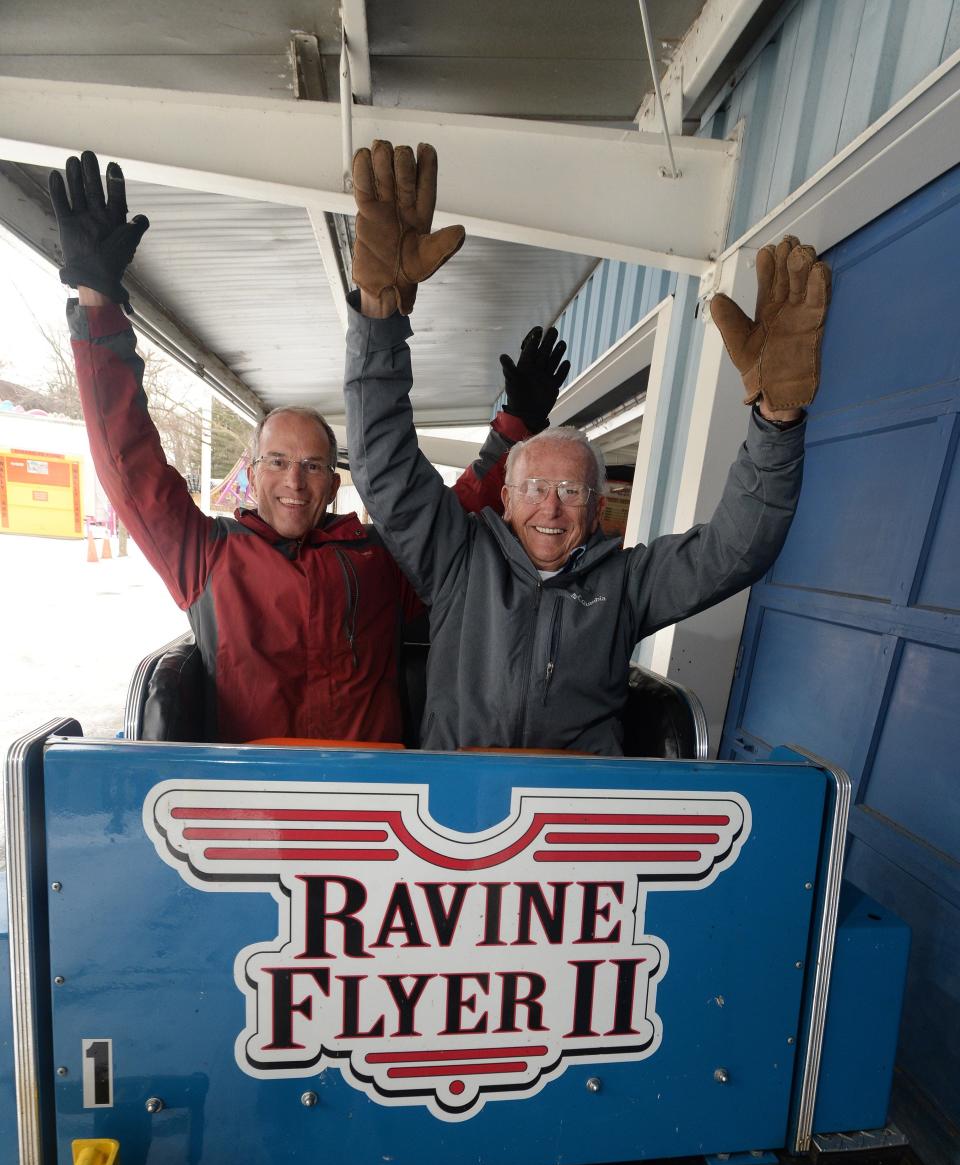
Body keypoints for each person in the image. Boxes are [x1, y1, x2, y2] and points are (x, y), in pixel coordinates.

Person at [47, 151, 569, 744]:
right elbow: (129, 464)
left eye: (313, 465)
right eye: (278, 461)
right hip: (261, 819)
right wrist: (97, 302)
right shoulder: (207, 557)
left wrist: (515, 427)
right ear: (252, 471)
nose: (294, 481)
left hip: (380, 809)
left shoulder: (379, 564)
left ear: (333, 482)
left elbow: (458, 517)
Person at [345, 140, 831, 755]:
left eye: (570, 491)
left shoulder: (628, 583)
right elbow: (382, 465)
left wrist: (777, 418)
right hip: (455, 810)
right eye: (536, 489)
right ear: (509, 497)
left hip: (577, 821)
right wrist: (378, 317)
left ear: (597, 504)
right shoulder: (457, 560)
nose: (551, 508)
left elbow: (737, 549)